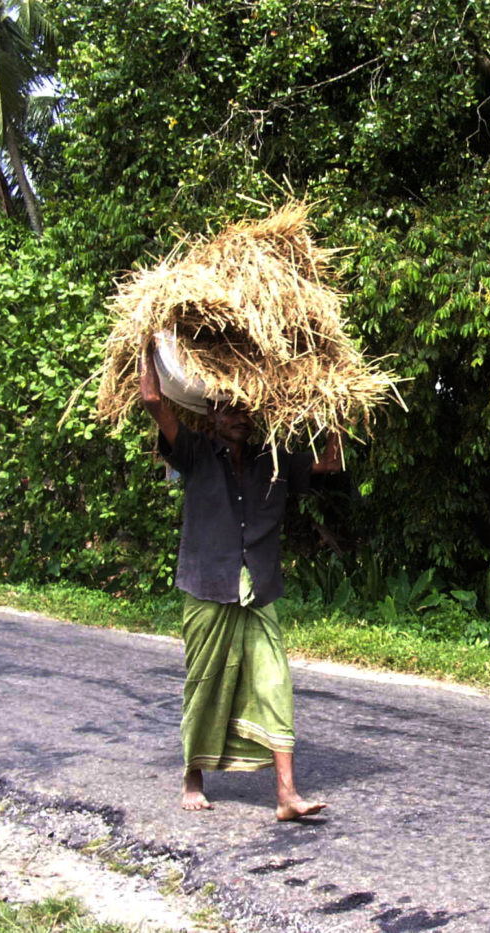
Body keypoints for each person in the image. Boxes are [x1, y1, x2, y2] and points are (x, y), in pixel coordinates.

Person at [139, 340, 340, 820]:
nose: (239, 418)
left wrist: (335, 405)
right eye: (229, 410)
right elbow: (152, 401)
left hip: (260, 588)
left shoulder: (275, 459)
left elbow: (329, 467)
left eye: (245, 411)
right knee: (205, 682)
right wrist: (146, 345)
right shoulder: (193, 451)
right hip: (209, 584)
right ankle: (193, 774)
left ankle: (287, 794)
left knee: (276, 684)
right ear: (211, 414)